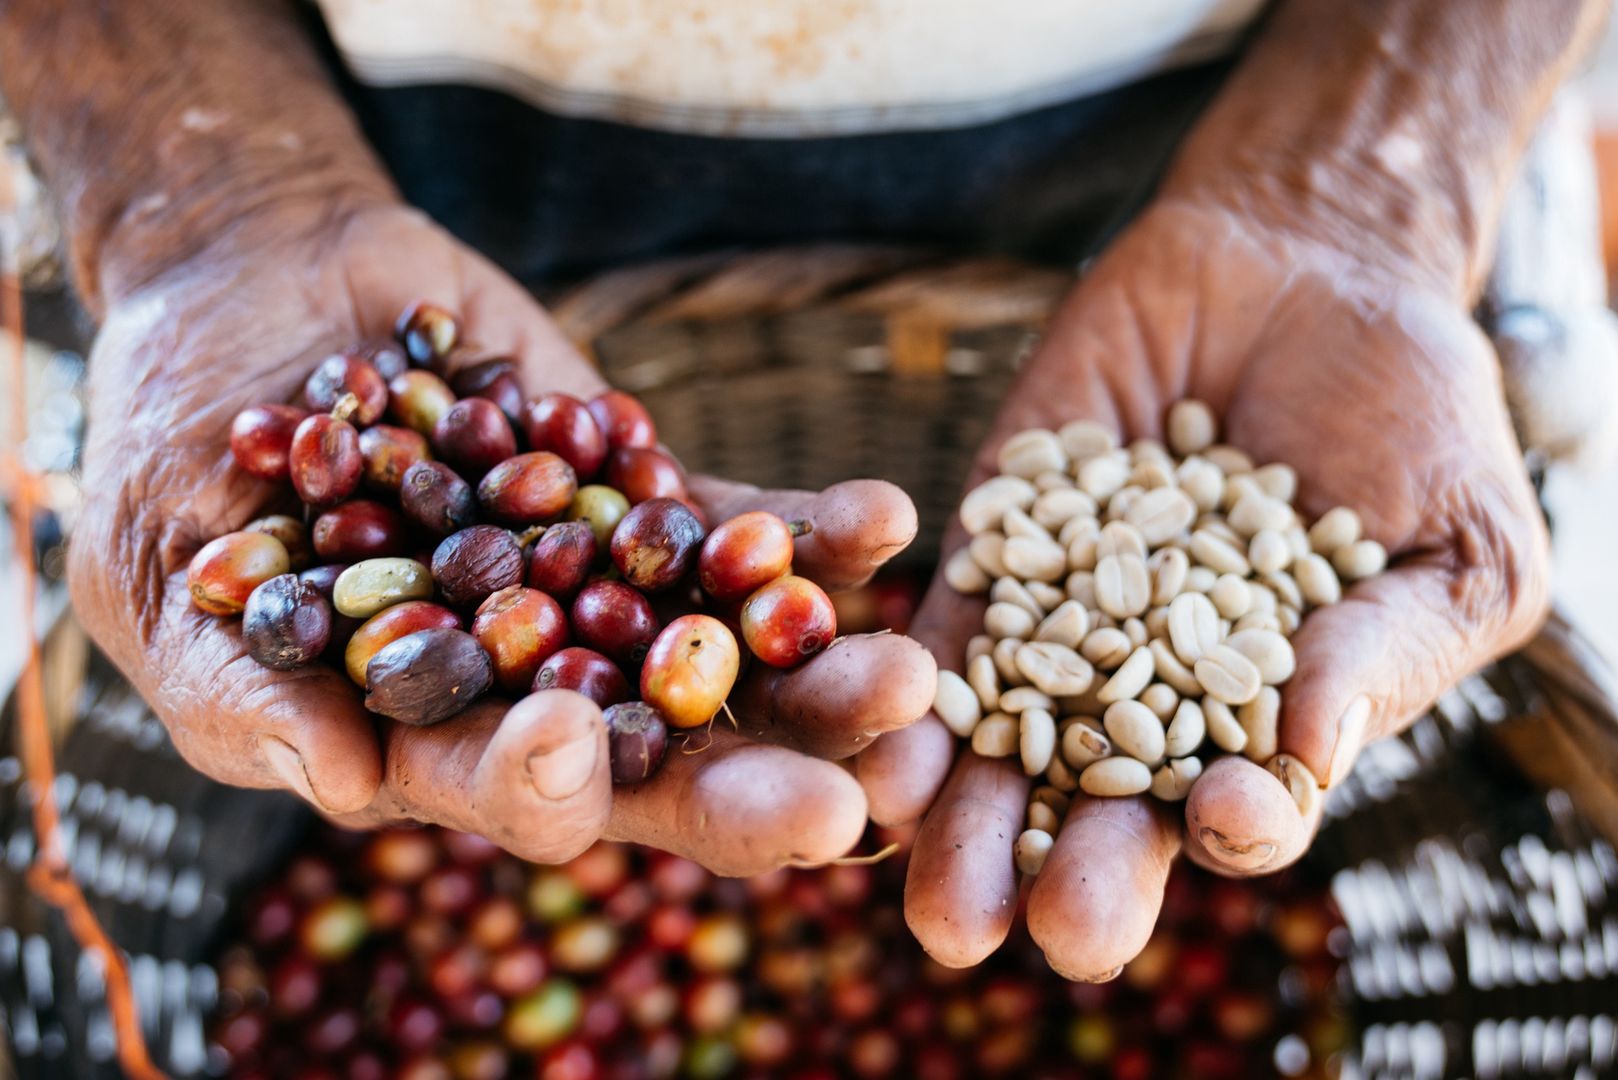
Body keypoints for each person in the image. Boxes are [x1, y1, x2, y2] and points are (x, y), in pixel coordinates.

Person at [0, 0, 1598, 981]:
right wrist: (202, 198)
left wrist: (1358, 189)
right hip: (355, 131)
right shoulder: (431, 463)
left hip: (1229, 117)